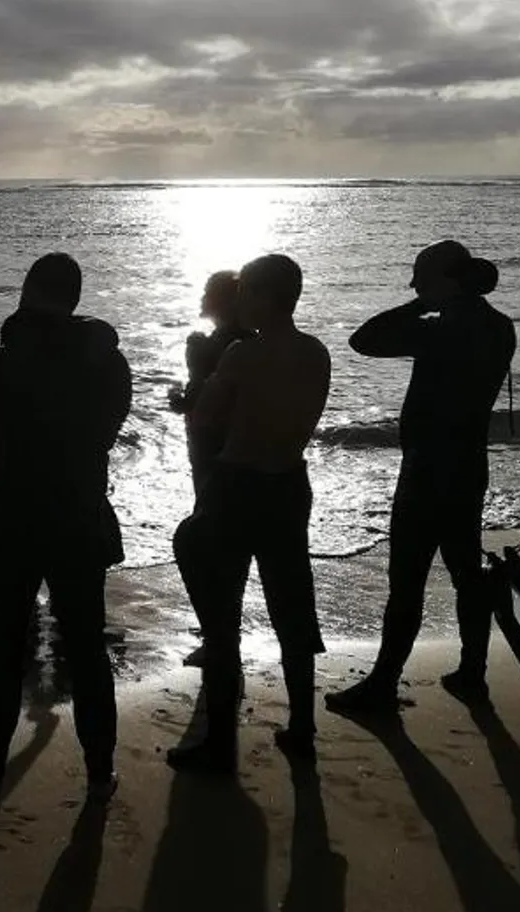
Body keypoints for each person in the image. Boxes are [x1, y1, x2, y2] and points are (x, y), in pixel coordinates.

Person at [0, 253, 132, 812]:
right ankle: (99, 776)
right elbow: (107, 432)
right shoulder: (108, 364)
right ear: (74, 298)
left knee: (3, 654)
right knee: (87, 649)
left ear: (28, 291)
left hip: (15, 519)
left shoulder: (0, 364)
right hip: (79, 517)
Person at [326, 239, 516, 714]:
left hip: (428, 470)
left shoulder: (443, 329)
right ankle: (472, 672)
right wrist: (434, 302)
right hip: (468, 465)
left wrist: (419, 307)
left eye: (421, 279)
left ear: (447, 281)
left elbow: (363, 339)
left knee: (407, 583)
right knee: (465, 573)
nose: (414, 286)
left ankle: (383, 684)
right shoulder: (499, 326)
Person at [166, 254, 331, 770]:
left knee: (221, 611)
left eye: (247, 292)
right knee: (291, 604)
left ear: (264, 296)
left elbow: (204, 416)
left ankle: (220, 742)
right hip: (289, 483)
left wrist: (198, 388)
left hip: (237, 484)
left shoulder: (242, 355)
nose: (239, 300)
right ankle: (301, 727)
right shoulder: (315, 352)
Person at [168, 270, 253, 498]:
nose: (202, 298)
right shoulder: (252, 340)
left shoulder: (211, 346)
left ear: (224, 302)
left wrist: (177, 392)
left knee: (210, 499)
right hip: (244, 444)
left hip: (211, 441)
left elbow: (193, 402)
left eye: (208, 293)